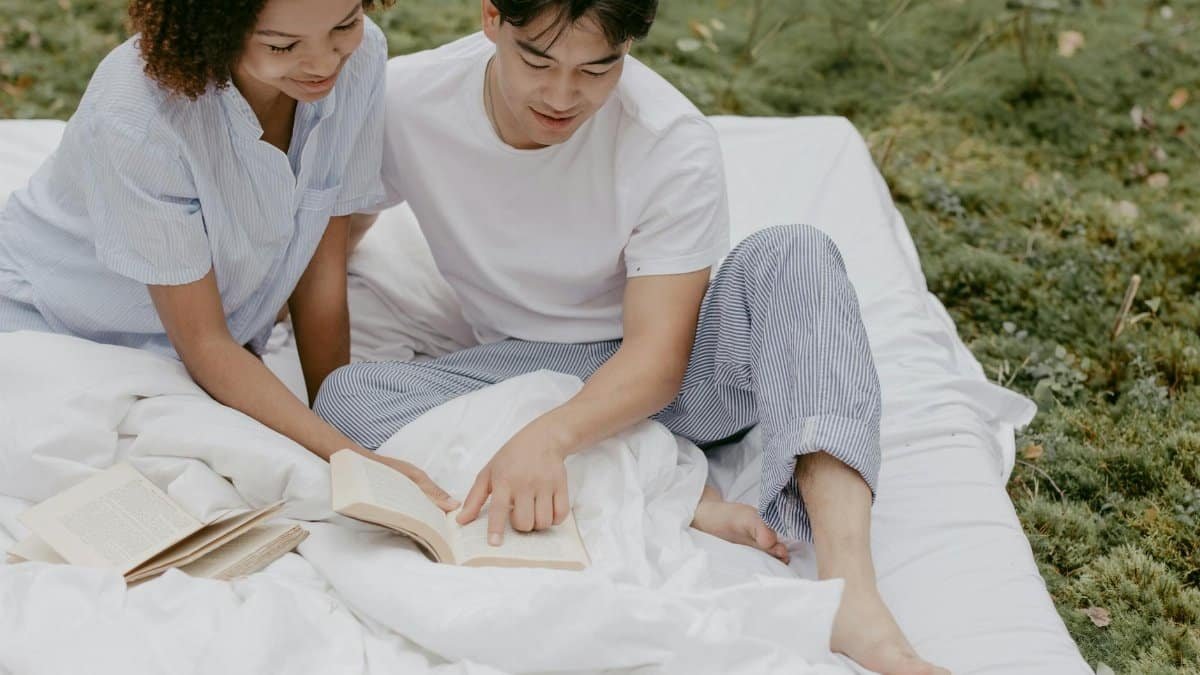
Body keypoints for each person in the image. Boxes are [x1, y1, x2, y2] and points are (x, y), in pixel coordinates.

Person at [316, 1, 948, 673]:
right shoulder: (409, 101)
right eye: (537, 60)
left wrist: (549, 436)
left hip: (675, 375)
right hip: (527, 369)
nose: (563, 95)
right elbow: (332, 239)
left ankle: (853, 588)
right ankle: (675, 482)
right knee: (347, 398)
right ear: (491, 19)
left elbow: (656, 359)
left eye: (599, 67)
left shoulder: (668, 138)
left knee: (798, 253)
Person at [0, 0, 456, 510]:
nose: (326, 63)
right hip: (58, 327)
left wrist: (339, 426)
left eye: (344, 25)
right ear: (212, 28)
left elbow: (320, 270)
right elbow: (205, 345)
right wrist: (341, 454)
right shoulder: (135, 116)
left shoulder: (362, 55)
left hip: (215, 342)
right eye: (282, 45)